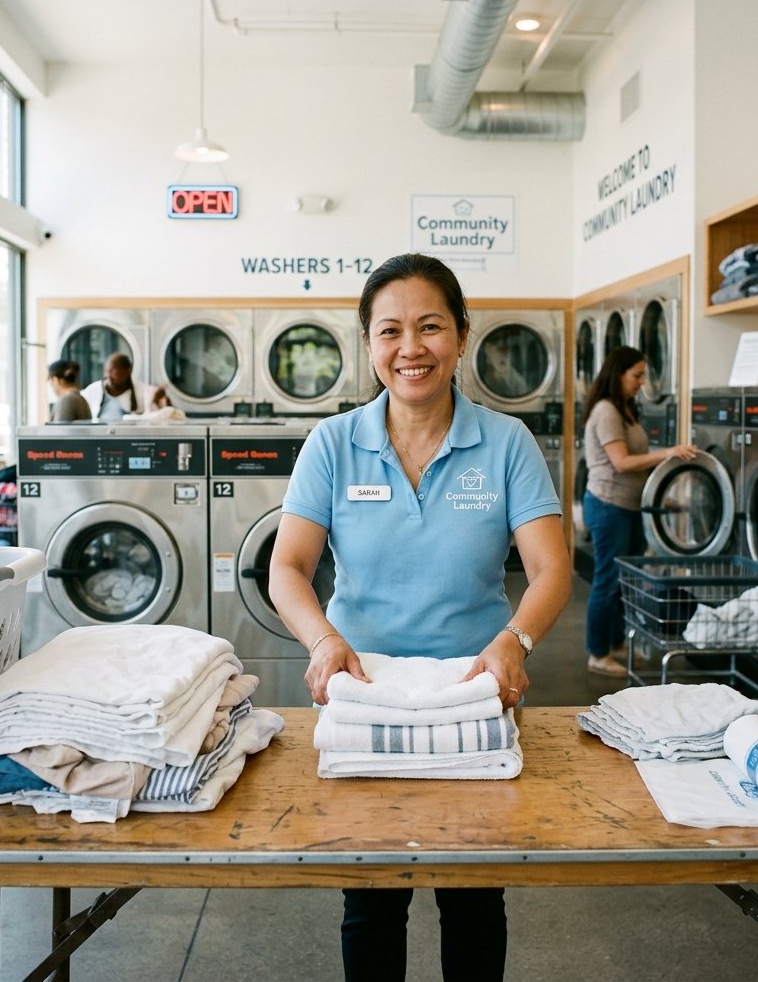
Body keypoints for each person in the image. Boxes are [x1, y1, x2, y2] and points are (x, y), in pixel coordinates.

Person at [268, 253, 571, 982]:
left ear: (462, 335)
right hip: (362, 693)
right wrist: (323, 640)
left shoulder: (506, 445)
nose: (412, 348)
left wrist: (515, 640)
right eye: (391, 331)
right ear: (369, 345)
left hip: (476, 689)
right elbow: (287, 568)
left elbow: (553, 567)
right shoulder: (334, 445)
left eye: (431, 326)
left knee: (472, 896)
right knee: (371, 898)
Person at [581, 345, 697, 677]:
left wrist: (661, 500)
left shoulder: (626, 410)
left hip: (630, 507)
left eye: (643, 375)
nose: (642, 382)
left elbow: (637, 468)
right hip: (608, 507)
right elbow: (621, 463)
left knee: (624, 580)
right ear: (618, 375)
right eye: (637, 375)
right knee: (607, 580)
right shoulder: (606, 411)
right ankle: (597, 652)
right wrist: (669, 453)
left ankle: (615, 643)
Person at [80, 353, 169, 421]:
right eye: (107, 372)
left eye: (113, 372)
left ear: (128, 371)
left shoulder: (144, 392)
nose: (108, 376)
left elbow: (162, 417)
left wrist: (160, 403)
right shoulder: (94, 390)